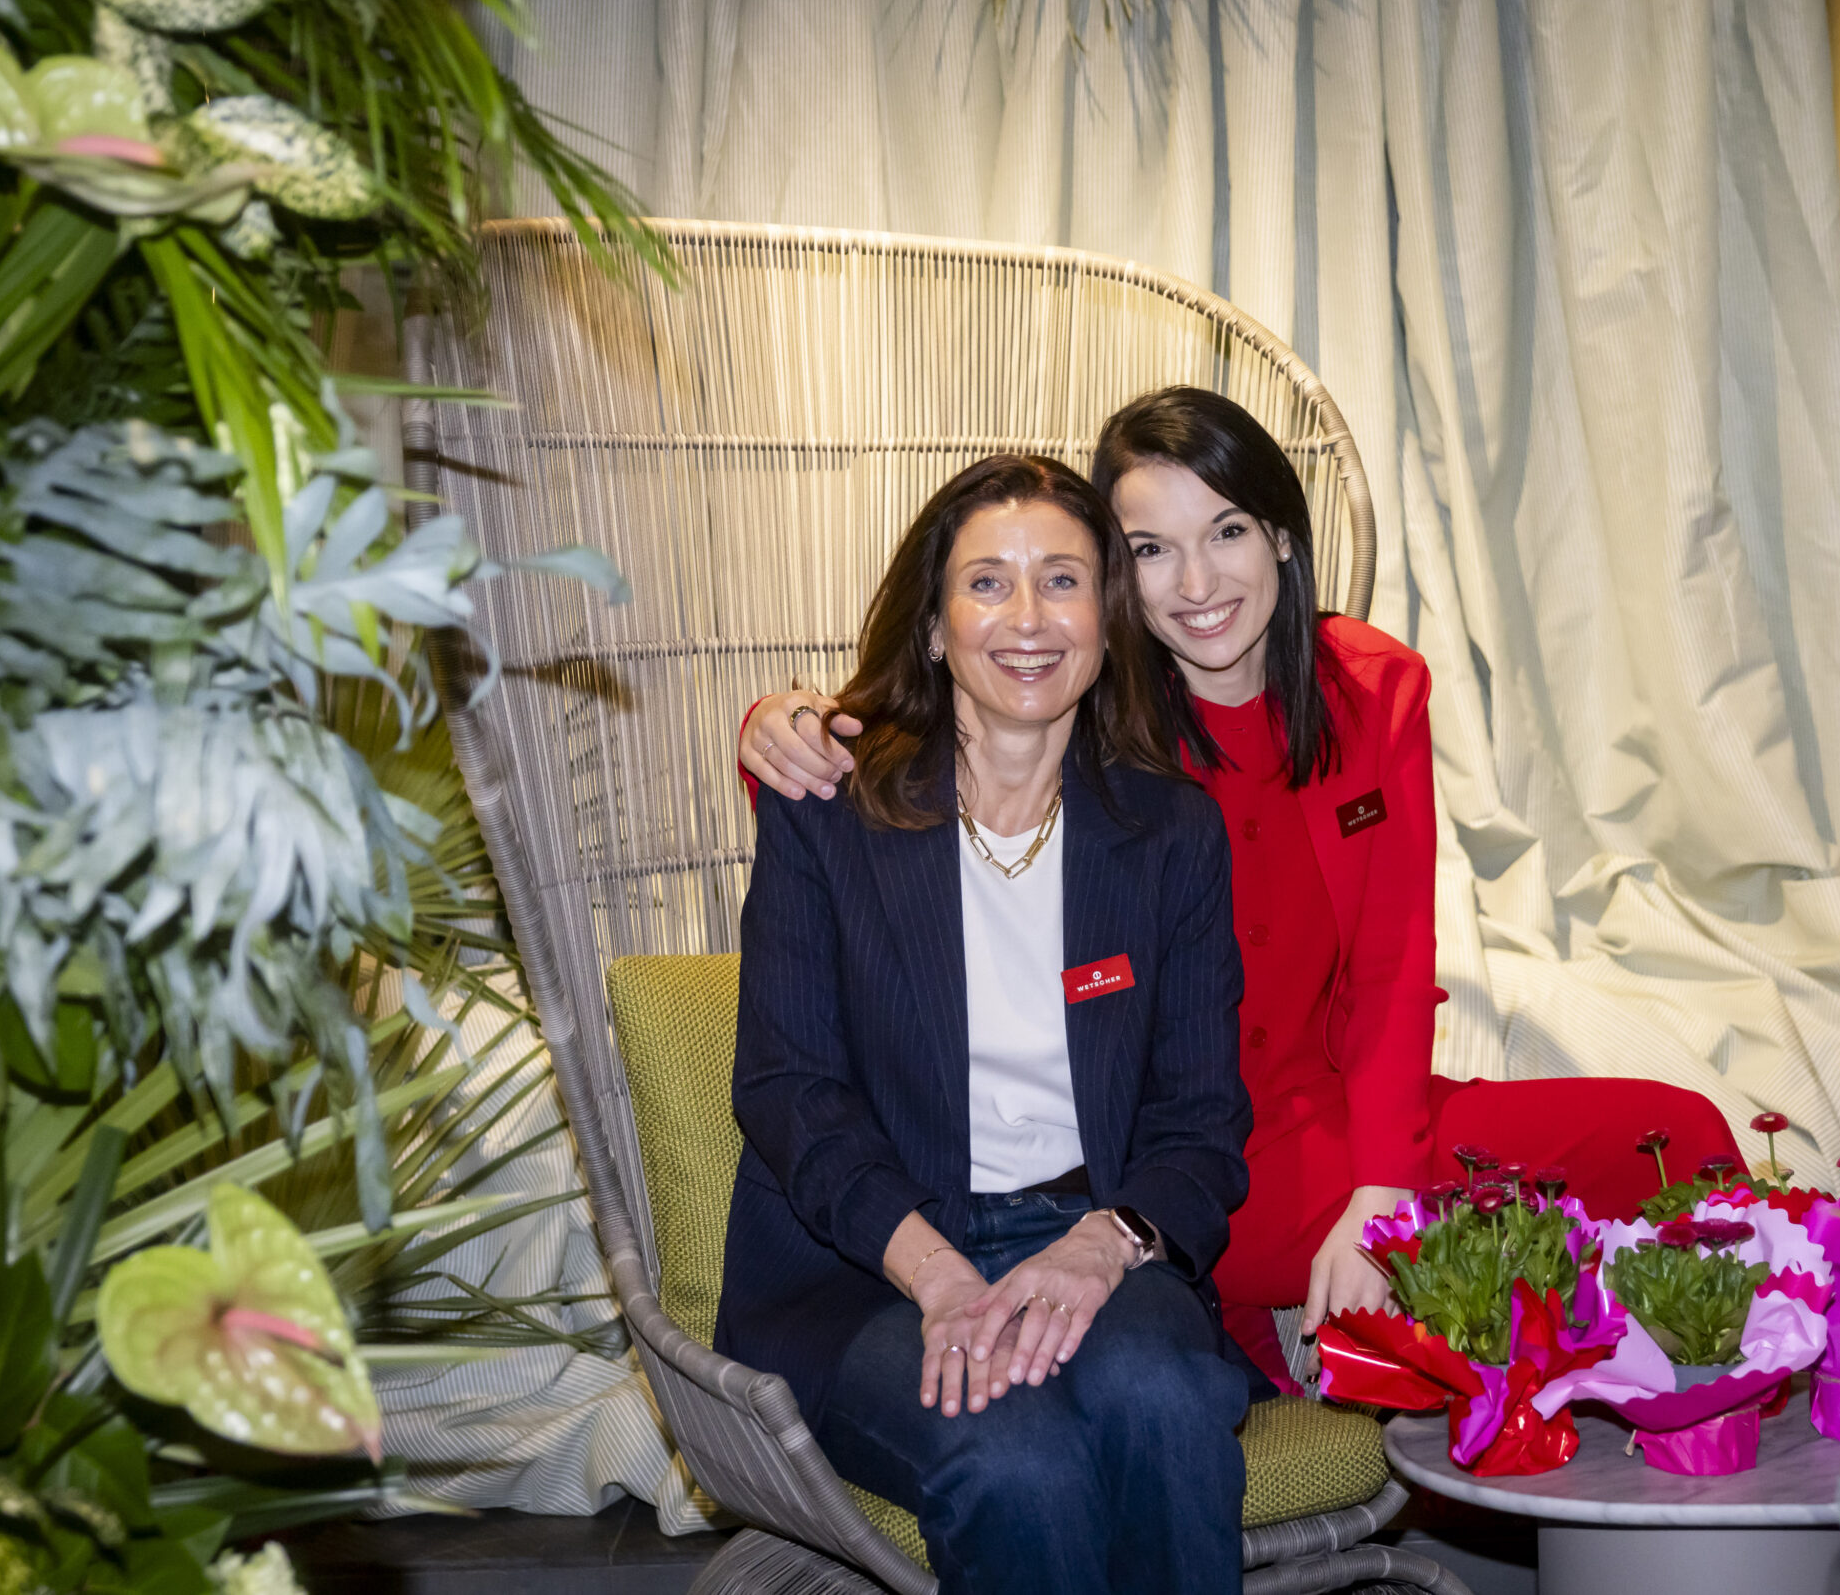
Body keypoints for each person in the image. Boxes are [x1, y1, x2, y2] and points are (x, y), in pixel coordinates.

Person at [740, 388, 1736, 1389]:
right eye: (1150, 549)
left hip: (1360, 1121)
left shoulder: (1371, 688)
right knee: (1462, 1282)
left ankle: (1712, 1407)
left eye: (1226, 531)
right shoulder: (1095, 717)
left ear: (1283, 536)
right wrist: (777, 729)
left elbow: (1392, 967)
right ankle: (1275, 1332)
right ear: (1116, 577)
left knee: (1678, 1136)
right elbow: (902, 777)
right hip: (1203, 1157)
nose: (1198, 582)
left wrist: (1382, 1188)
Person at [716, 453, 1252, 1594]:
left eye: (1061, 580)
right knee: (1019, 1463)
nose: (1028, 618)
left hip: (1090, 1234)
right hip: (867, 1264)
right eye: (987, 583)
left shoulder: (1168, 834)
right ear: (933, 625)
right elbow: (788, 1090)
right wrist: (941, 1276)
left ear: (1106, 620)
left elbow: (1202, 1119)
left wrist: (1104, 1243)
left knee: (1165, 1399)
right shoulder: (832, 812)